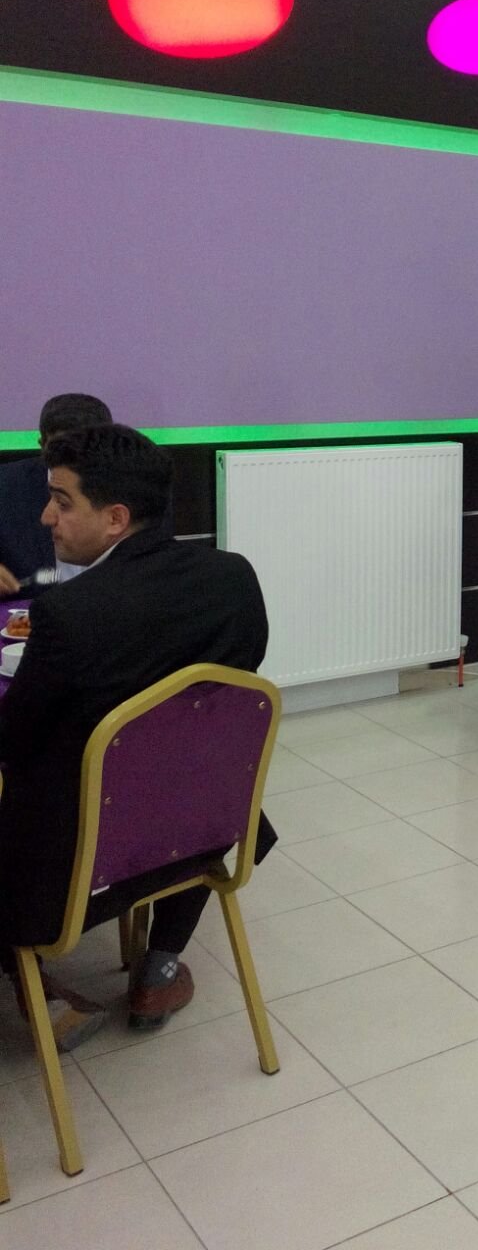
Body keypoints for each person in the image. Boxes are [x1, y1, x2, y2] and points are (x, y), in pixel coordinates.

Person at [0, 424, 270, 1049]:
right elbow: (234, 686)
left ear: (116, 518)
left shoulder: (69, 614)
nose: (46, 518)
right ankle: (160, 967)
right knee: (185, 767)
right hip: (204, 829)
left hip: (82, 867)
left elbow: (14, 743)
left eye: (62, 502)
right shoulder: (233, 577)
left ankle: (33, 985)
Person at [0, 393, 113, 597]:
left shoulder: (141, 489)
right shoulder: (5, 487)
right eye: (61, 450)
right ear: (42, 446)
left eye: (85, 449)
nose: (74, 460)